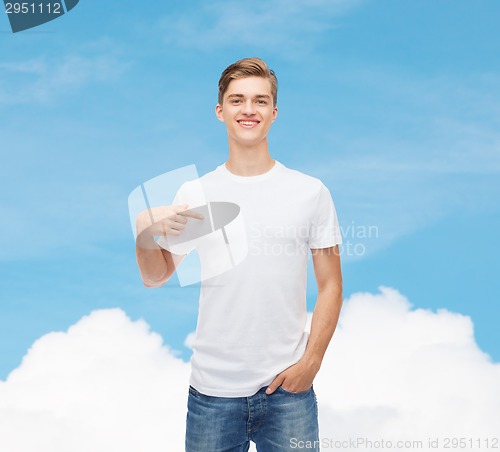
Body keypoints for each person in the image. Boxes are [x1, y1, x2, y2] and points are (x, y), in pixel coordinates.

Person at [135, 57, 343, 452]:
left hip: (289, 392)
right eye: (237, 100)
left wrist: (311, 362)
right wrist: (144, 234)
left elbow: (331, 283)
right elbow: (155, 275)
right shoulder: (195, 194)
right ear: (220, 111)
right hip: (212, 394)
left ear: (274, 112)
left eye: (260, 101)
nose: (249, 110)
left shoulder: (311, 192)